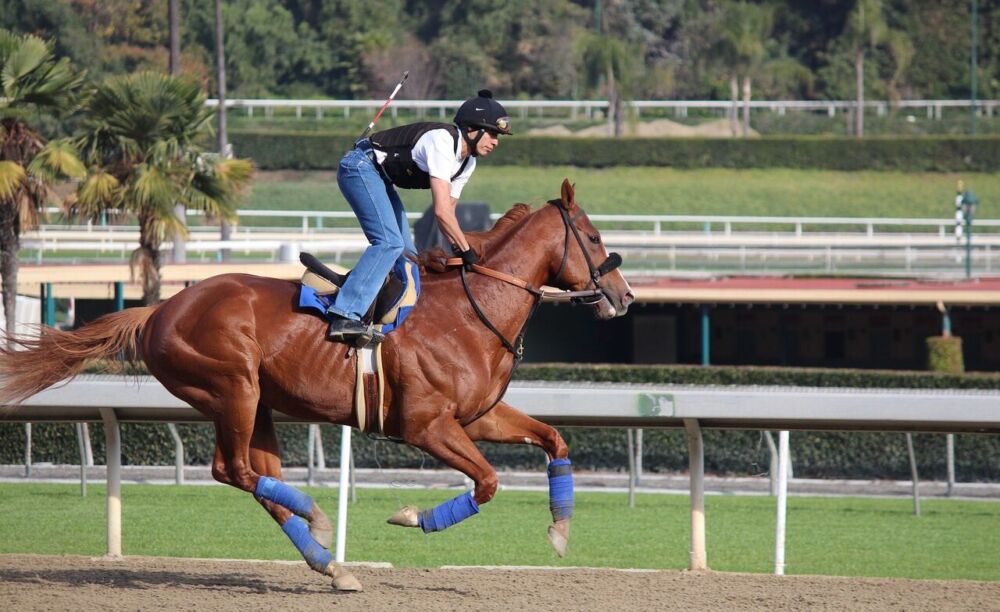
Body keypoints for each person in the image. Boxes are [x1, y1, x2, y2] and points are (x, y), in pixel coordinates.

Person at [326, 89, 513, 345]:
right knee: (389, 243)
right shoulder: (442, 143)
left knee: (408, 256)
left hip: (380, 178)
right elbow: (441, 212)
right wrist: (467, 251)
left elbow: (448, 214)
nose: (496, 141)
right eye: (492, 133)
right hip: (359, 167)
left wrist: (461, 250)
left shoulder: (467, 163)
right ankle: (344, 314)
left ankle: (386, 319)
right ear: (472, 129)